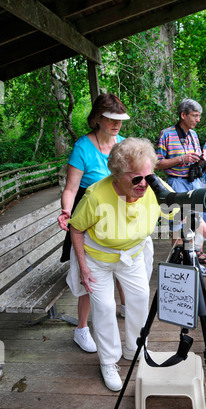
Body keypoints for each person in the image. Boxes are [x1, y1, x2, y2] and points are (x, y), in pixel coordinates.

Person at [66, 137, 206, 392]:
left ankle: (134, 346)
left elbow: (184, 213)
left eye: (147, 176)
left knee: (139, 298)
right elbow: (77, 228)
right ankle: (108, 360)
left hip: (132, 255)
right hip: (98, 258)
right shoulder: (96, 195)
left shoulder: (153, 189)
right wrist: (83, 266)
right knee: (103, 307)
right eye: (135, 178)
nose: (143, 184)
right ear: (117, 175)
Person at [57, 93, 129, 353]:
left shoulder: (122, 144)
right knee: (90, 275)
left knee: (122, 262)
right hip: (88, 217)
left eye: (120, 119)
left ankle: (125, 308)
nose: (117, 124)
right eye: (111, 119)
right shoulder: (83, 147)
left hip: (117, 215)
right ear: (98, 118)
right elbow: (71, 188)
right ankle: (82, 329)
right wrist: (66, 210)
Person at [156, 98, 206, 271]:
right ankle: (179, 258)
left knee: (199, 217)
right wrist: (181, 159)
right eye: (195, 116)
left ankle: (197, 254)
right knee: (178, 221)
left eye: (199, 116)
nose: (198, 120)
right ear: (183, 115)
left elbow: (195, 163)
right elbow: (157, 163)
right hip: (176, 182)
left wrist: (202, 159)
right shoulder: (167, 134)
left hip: (193, 181)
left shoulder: (193, 135)